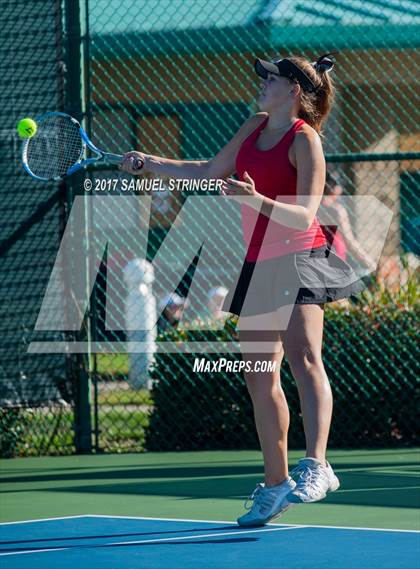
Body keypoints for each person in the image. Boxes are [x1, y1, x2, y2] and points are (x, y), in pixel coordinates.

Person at [120, 52, 368, 527]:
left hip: (302, 257)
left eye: (269, 79)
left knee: (305, 358)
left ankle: (318, 464)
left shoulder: (305, 140)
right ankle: (275, 487)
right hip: (260, 263)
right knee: (258, 374)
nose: (261, 84)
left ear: (293, 90)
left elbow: (306, 214)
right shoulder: (254, 125)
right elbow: (209, 170)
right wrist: (151, 163)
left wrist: (256, 199)